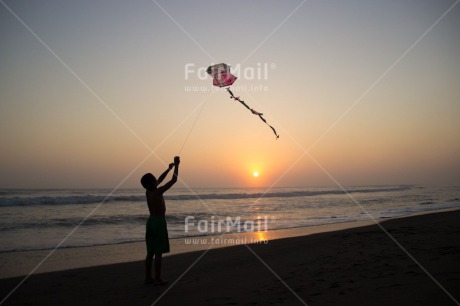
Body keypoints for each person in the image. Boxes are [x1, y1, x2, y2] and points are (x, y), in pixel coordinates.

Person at [141, 156, 180, 285]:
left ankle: (148, 278)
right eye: (154, 181)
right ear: (152, 183)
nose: (156, 181)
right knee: (158, 253)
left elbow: (160, 179)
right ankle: (157, 278)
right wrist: (177, 165)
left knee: (150, 252)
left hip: (150, 222)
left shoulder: (148, 192)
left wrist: (168, 168)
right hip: (158, 222)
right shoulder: (158, 192)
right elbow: (174, 180)